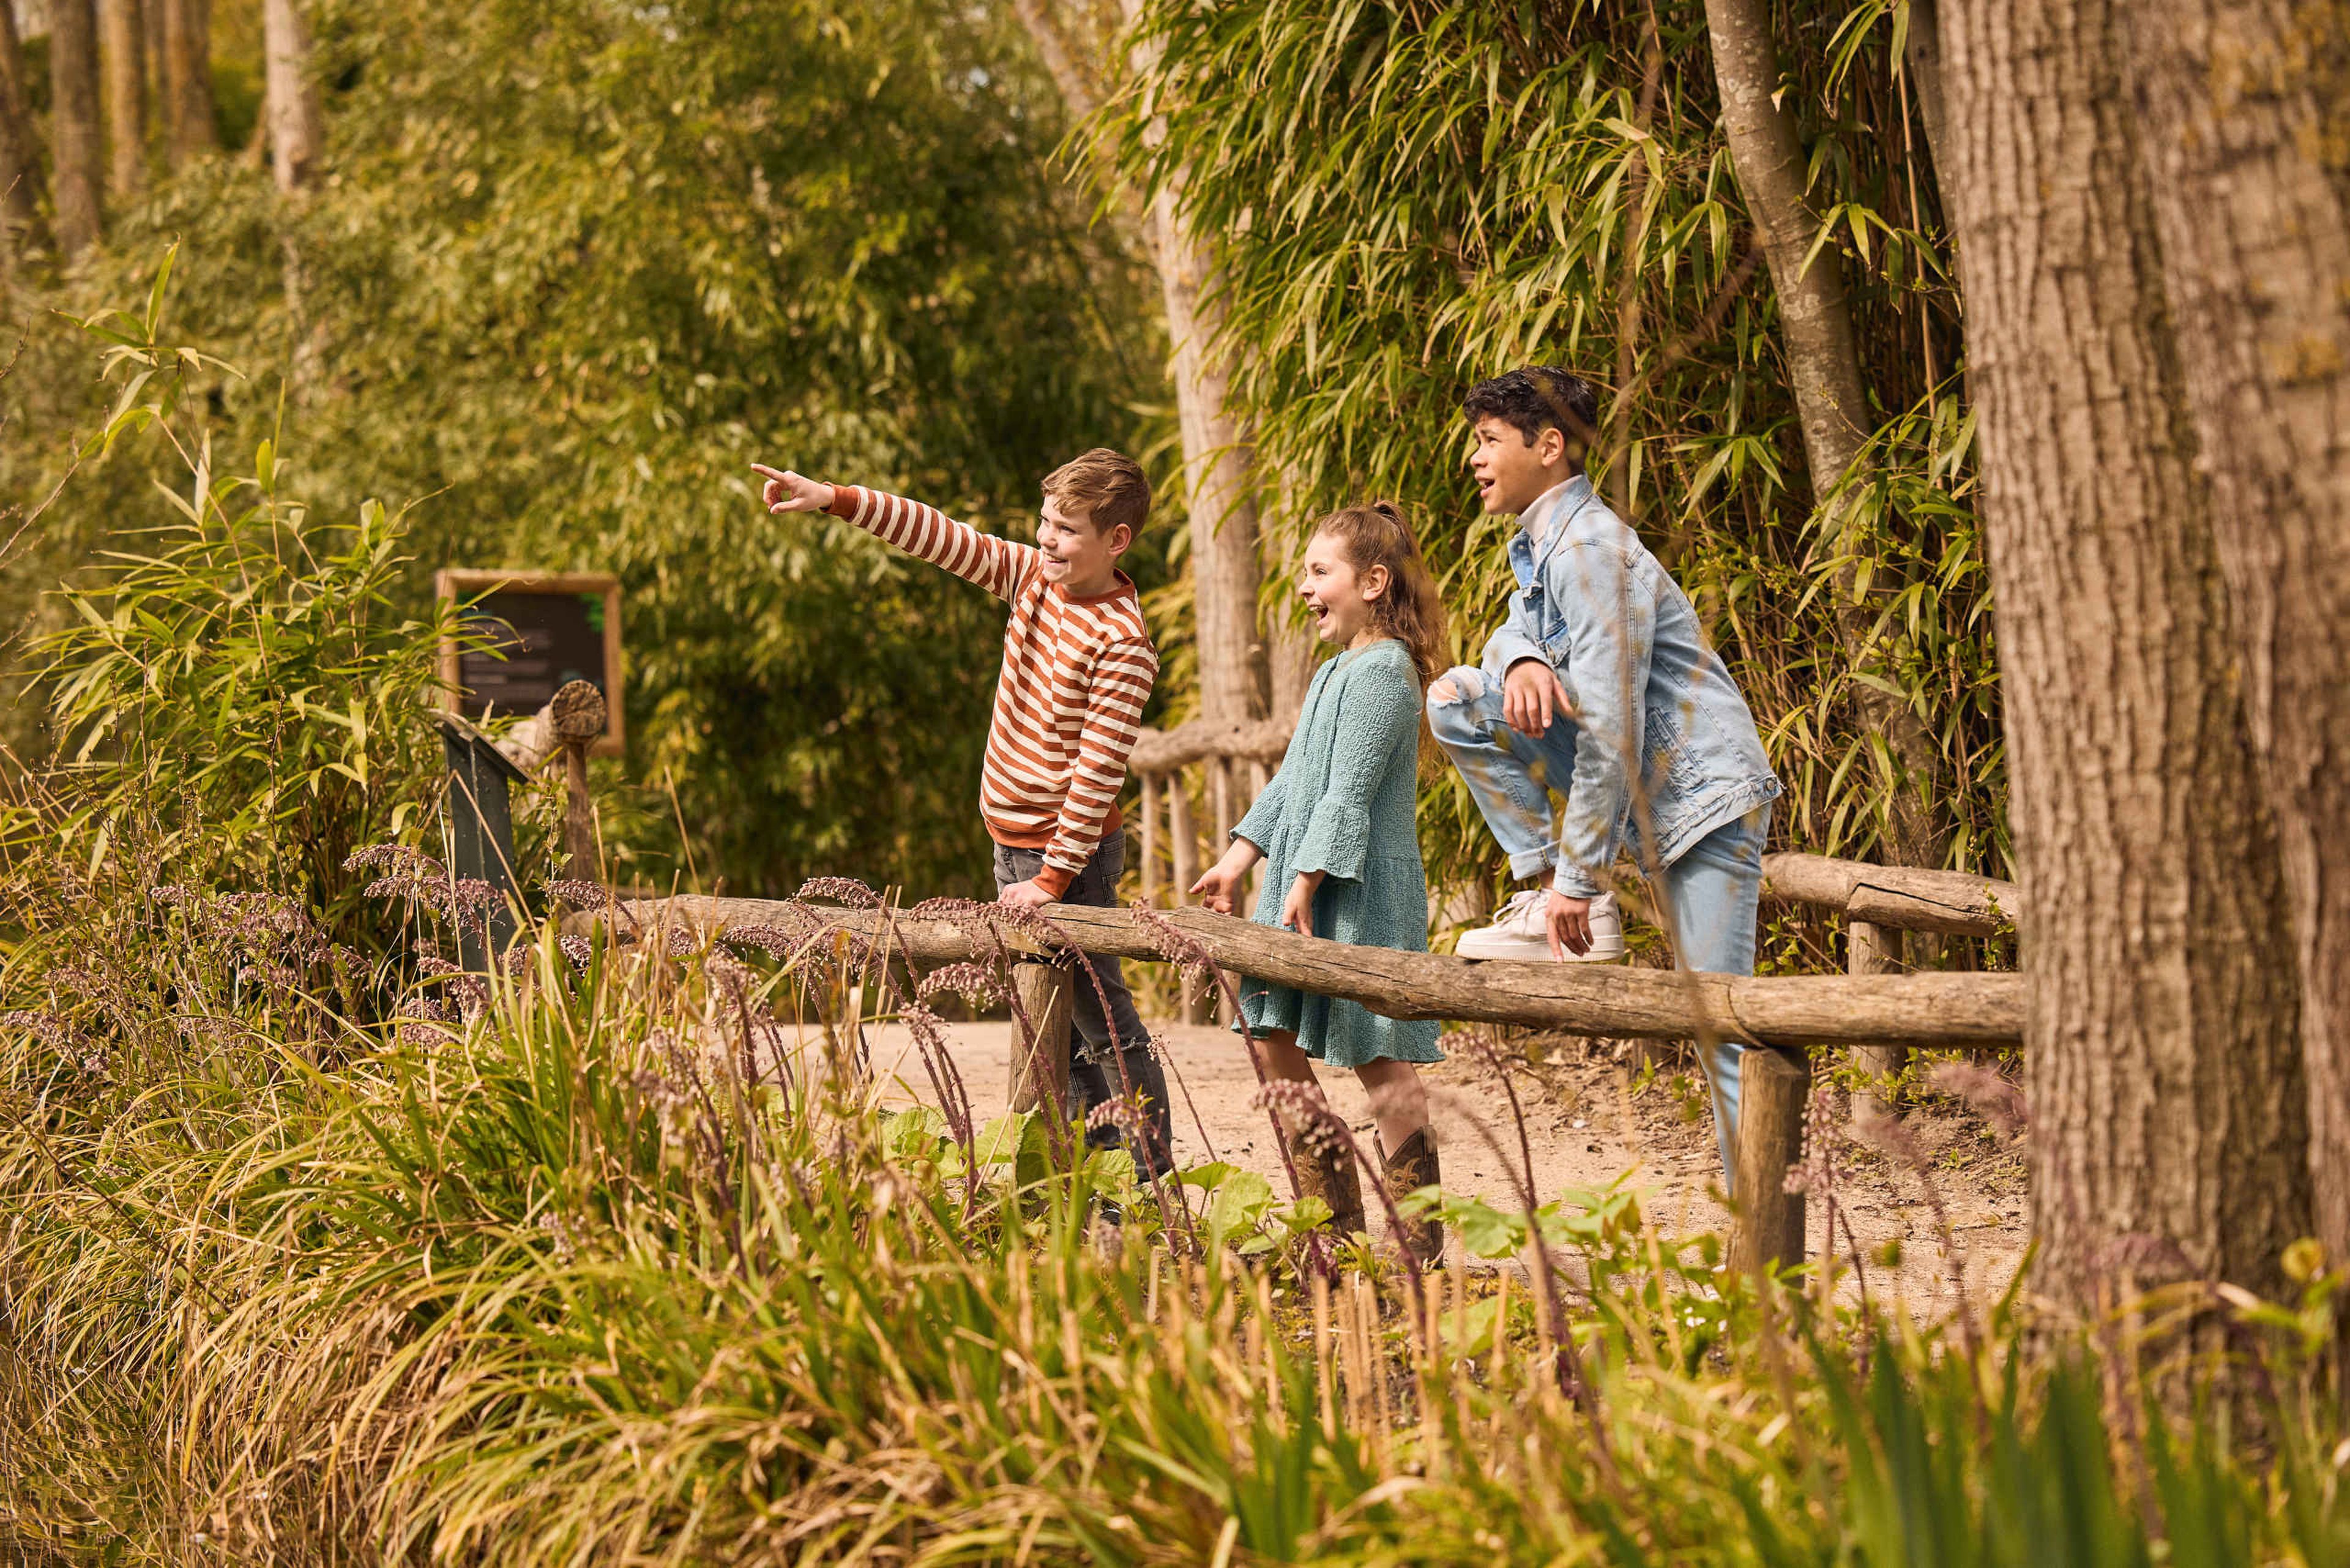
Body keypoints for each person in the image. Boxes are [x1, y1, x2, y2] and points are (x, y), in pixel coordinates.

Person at [753, 452, 1173, 1173]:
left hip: (1066, 858)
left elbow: (1098, 777)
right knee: (1052, 1023)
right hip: (1014, 844)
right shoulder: (1035, 579)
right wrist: (835, 499)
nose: (1047, 538)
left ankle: (1148, 1177)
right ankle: (1082, 1175)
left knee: (1103, 1023)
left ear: (1117, 541)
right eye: (1044, 521)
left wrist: (1050, 881)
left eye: (1067, 529)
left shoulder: (1121, 644)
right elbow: (940, 535)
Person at [1427, 368, 1781, 1185]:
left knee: (1720, 1030)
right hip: (1650, 798)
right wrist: (1517, 657)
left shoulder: (1588, 550)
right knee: (1460, 697)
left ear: (1548, 446)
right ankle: (1539, 876)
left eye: (1488, 440)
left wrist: (1581, 886)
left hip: (1703, 800)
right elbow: (1509, 633)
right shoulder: (1547, 543)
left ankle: (1761, 1256)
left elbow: (1614, 729)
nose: (1473, 458)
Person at [1189, 501, 1450, 1261]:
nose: (1305, 587)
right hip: (1299, 884)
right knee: (1269, 1034)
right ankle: (1329, 1229)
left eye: (1319, 572)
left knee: (1377, 1051)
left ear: (1372, 582)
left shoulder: (1386, 673)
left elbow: (1349, 793)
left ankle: (1418, 1242)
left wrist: (1304, 880)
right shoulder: (1335, 670)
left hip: (1355, 886)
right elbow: (1297, 779)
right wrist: (1239, 859)